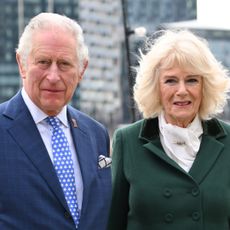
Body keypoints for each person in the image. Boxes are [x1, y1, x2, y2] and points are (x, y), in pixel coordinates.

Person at [107, 29, 230, 230]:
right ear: (156, 87)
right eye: (171, 80)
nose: (182, 91)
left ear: (204, 86)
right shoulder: (127, 141)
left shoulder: (228, 142)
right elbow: (112, 222)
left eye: (192, 80)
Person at [0, 12, 112, 230]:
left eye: (64, 64)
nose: (53, 76)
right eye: (43, 62)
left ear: (82, 70)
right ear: (22, 64)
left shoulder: (96, 133)